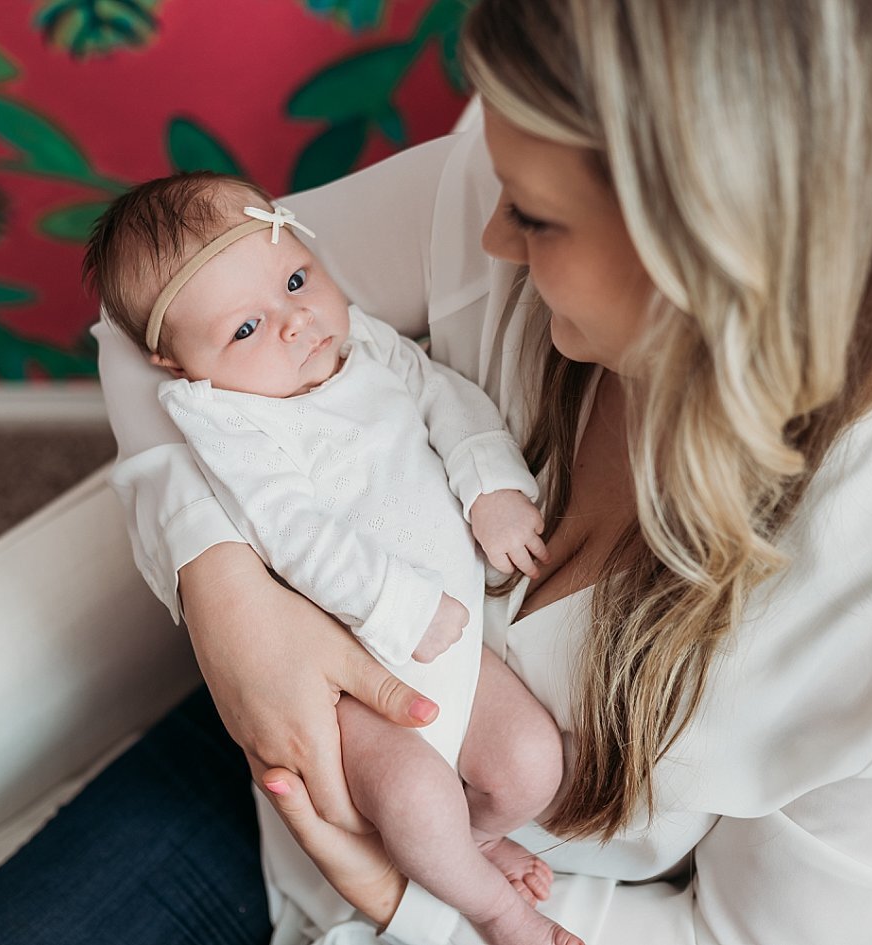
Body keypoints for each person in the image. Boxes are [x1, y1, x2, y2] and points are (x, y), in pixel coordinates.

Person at [0, 0, 872, 942]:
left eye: (541, 221)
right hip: (271, 785)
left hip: (518, 902)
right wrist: (227, 601)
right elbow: (153, 322)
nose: (493, 237)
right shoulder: (485, 187)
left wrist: (407, 900)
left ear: (714, 257)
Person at [84, 171, 574, 944]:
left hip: (456, 655)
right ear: (179, 369)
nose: (293, 321)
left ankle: (473, 841)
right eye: (244, 330)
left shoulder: (364, 344)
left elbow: (446, 399)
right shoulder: (229, 418)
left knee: (531, 761)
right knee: (414, 798)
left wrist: (492, 489)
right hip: (357, 682)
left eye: (296, 279)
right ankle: (496, 909)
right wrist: (398, 603)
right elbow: (295, 531)